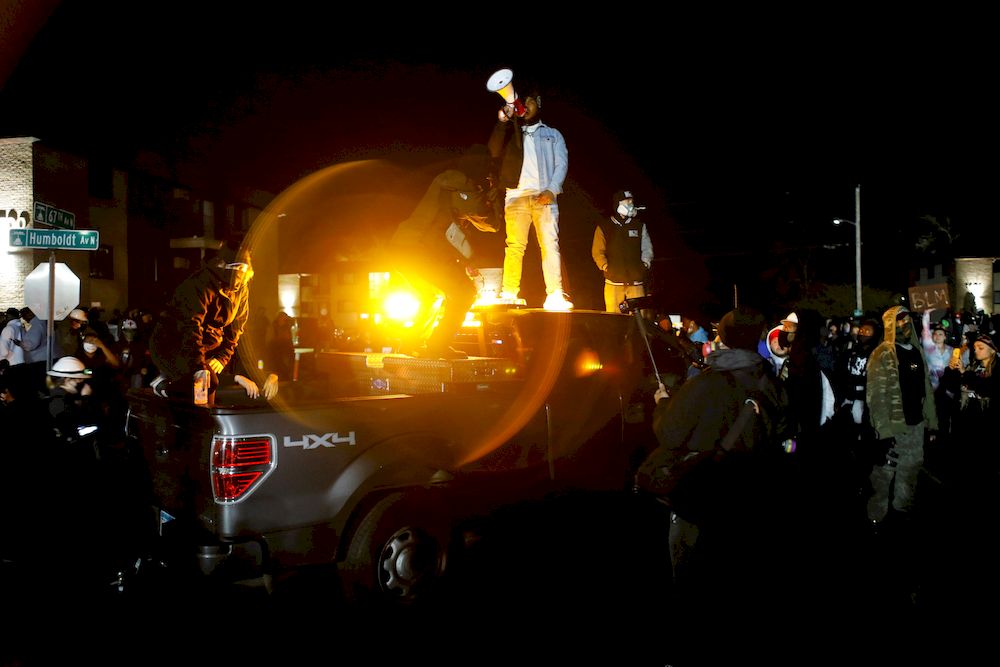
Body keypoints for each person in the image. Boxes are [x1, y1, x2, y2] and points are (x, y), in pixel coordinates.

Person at [635, 306, 790, 605]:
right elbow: (781, 436)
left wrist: (663, 403)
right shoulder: (774, 385)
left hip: (702, 497)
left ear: (725, 338)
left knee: (692, 577)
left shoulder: (705, 383)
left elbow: (670, 434)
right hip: (752, 498)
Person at [387, 159, 493, 359]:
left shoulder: (449, 190)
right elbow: (487, 219)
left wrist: (462, 262)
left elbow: (448, 232)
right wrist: (489, 194)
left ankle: (410, 343)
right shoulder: (461, 185)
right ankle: (438, 345)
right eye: (487, 178)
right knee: (464, 293)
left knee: (430, 295)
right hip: (418, 249)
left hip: (403, 248)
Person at [487, 80, 572, 311]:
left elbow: (561, 164)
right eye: (522, 102)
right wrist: (503, 122)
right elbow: (493, 150)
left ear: (539, 103)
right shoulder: (513, 132)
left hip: (544, 196)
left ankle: (555, 294)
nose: (524, 106)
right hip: (516, 196)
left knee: (550, 245)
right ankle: (509, 293)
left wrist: (551, 190)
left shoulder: (553, 134)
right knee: (514, 246)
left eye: (529, 102)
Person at [148, 244, 252, 404]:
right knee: (206, 383)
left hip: (203, 347)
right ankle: (164, 386)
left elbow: (236, 328)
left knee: (207, 388)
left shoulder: (241, 290)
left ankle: (191, 406)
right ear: (224, 266)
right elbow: (191, 326)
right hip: (174, 344)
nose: (240, 274)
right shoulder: (200, 283)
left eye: (243, 269)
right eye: (236, 268)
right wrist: (198, 366)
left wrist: (222, 357)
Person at [865, 305, 938, 526]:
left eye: (906, 321)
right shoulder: (882, 353)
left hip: (915, 425)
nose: (903, 325)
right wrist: (883, 431)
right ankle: (876, 518)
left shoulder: (916, 351)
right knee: (883, 475)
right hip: (892, 426)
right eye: (898, 321)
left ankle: (901, 514)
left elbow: (926, 389)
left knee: (910, 471)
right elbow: (876, 395)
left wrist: (931, 422)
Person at [592, 189, 653, 313]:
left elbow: (647, 248)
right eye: (627, 202)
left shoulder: (639, 225)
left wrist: (645, 264)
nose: (630, 204)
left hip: (636, 282)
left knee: (639, 317)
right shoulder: (605, 226)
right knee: (613, 317)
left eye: (631, 201)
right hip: (613, 282)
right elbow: (597, 251)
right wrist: (605, 267)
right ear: (618, 204)